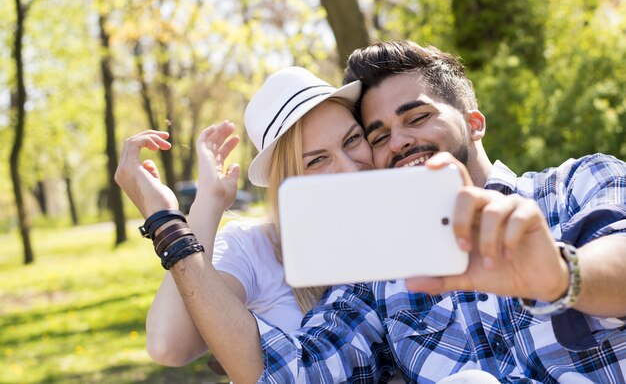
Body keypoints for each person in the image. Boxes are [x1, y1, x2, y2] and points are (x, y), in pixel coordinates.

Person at [248, 40, 626, 382]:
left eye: (417, 118)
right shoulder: (377, 272)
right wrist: (187, 244)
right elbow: (298, 371)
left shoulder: (576, 182)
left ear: (473, 123)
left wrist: (559, 276)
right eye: (378, 136)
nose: (399, 142)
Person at [114, 67, 374, 381]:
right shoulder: (256, 247)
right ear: (286, 178)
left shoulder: (407, 227)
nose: (348, 169)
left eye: (352, 139)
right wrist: (206, 203)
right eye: (316, 160)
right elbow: (169, 344)